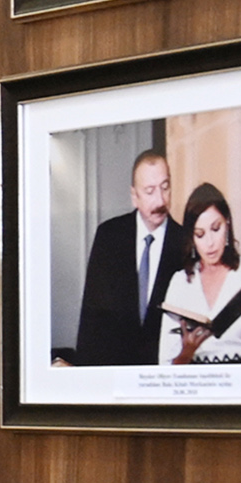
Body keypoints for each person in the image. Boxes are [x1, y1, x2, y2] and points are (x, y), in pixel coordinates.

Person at [70, 148, 194, 365]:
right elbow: (92, 317)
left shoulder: (185, 242)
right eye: (149, 191)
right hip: (114, 369)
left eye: (165, 187)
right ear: (134, 196)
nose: (160, 200)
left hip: (162, 372)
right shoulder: (109, 236)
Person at [157, 182, 241, 363]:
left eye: (216, 229)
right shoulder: (180, 282)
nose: (210, 243)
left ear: (227, 225)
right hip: (198, 378)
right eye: (200, 234)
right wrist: (187, 351)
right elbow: (167, 366)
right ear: (192, 237)